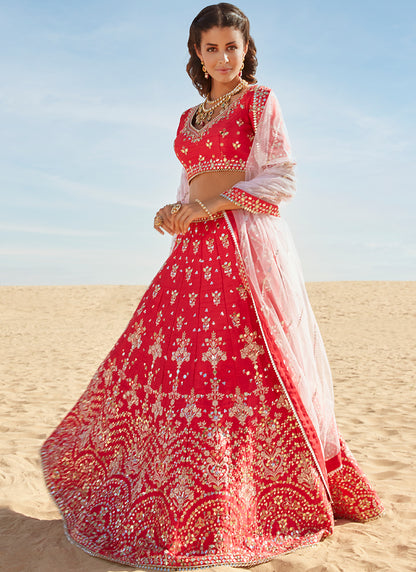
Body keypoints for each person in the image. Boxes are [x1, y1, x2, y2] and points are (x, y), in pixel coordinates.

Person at [41, 3, 384, 569]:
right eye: (211, 49)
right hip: (194, 250)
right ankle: (172, 493)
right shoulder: (188, 118)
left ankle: (240, 501)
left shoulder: (260, 101)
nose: (224, 58)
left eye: (232, 46)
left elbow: (283, 176)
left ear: (246, 48)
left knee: (238, 361)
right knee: (171, 362)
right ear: (196, 55)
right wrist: (174, 212)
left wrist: (211, 207)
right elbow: (188, 183)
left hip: (242, 245)